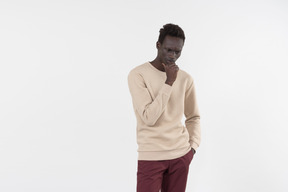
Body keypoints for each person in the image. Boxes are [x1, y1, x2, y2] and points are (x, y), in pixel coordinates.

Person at [127, 23, 201, 192]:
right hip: (151, 156)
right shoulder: (138, 74)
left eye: (178, 51)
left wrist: (192, 148)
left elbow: (193, 117)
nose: (173, 56)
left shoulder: (186, 79)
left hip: (180, 156)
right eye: (169, 50)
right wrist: (169, 82)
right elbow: (149, 117)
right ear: (158, 45)